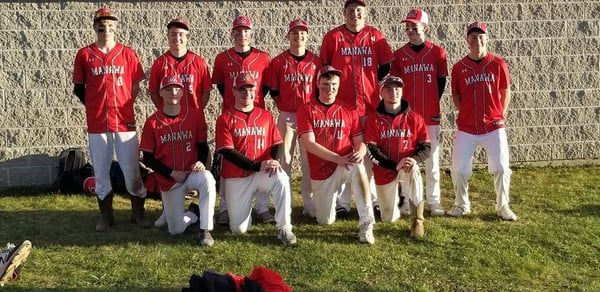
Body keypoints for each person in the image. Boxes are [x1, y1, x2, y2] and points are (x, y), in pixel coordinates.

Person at [72, 7, 149, 232]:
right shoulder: (85, 54)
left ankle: (138, 213)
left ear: (116, 27)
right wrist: (95, 105)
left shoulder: (128, 53)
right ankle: (106, 214)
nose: (106, 29)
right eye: (102, 25)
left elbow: (135, 85)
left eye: (110, 25)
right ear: (95, 27)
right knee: (101, 170)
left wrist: (124, 103)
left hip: (125, 121)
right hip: (97, 124)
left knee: (131, 168)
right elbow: (79, 88)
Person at [319, 0, 395, 217]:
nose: (355, 14)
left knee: (370, 155)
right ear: (344, 13)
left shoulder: (376, 36)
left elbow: (386, 66)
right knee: (343, 152)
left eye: (359, 10)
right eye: (351, 10)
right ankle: (342, 202)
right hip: (342, 108)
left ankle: (371, 198)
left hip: (369, 107)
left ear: (365, 12)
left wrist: (373, 83)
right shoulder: (333, 37)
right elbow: (325, 68)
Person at [214, 73, 296, 245]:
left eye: (250, 89)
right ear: (234, 91)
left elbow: (277, 143)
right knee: (238, 229)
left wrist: (274, 160)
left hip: (261, 172)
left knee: (282, 178)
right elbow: (228, 152)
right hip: (237, 176)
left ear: (256, 91)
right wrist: (257, 165)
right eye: (242, 89)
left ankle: (284, 227)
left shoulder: (265, 116)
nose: (247, 93)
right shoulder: (224, 119)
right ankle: (243, 211)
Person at [297, 65, 375, 244]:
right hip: (322, 170)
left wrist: (360, 152)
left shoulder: (349, 109)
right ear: (317, 83)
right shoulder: (306, 109)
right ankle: (331, 200)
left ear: (339, 85)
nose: (329, 88)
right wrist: (337, 158)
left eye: (333, 84)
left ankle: (366, 222)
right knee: (325, 220)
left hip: (345, 164)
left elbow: (360, 141)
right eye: (325, 84)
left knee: (359, 167)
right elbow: (309, 144)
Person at [448, 21, 517, 221]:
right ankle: (462, 204)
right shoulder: (459, 67)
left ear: (487, 39)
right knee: (459, 169)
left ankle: (502, 206)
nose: (477, 40)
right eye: (473, 37)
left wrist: (499, 114)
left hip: (493, 126)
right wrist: (468, 113)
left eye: (480, 37)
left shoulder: (498, 64)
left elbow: (505, 91)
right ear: (467, 40)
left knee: (502, 168)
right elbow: (456, 95)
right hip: (467, 127)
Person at [140, 75, 216, 246]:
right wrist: (171, 173)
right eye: (168, 89)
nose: (173, 92)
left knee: (208, 179)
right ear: (161, 93)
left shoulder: (194, 115)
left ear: (182, 92)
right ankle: (193, 213)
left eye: (177, 89)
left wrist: (202, 163)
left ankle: (205, 230)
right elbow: (148, 158)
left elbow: (203, 146)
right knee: (176, 230)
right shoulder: (152, 122)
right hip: (169, 179)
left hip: (191, 173)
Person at [212, 15, 273, 225]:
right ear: (232, 33)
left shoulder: (263, 57)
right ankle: (225, 208)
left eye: (245, 31)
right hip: (231, 116)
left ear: (251, 33)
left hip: (258, 117)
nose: (242, 35)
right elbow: (221, 86)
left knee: (263, 156)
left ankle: (263, 208)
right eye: (238, 31)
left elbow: (264, 88)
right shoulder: (222, 58)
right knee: (227, 161)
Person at [391, 8, 448, 217]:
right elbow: (396, 87)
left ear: (424, 27)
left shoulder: (438, 52)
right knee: (407, 161)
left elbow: (440, 83)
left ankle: (434, 202)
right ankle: (407, 201)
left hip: (430, 116)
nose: (410, 31)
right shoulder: (398, 56)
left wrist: (431, 103)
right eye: (407, 28)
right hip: (407, 118)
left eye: (414, 27)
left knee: (432, 161)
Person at [364, 76, 431, 238]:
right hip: (385, 171)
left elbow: (426, 147)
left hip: (407, 167)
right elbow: (372, 150)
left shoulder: (415, 118)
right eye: (388, 89)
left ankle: (418, 220)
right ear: (381, 93)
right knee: (388, 218)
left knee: (414, 168)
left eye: (397, 88)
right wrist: (394, 165)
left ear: (401, 91)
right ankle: (399, 201)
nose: (393, 92)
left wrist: (414, 159)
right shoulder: (373, 119)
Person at [269, 18, 322, 217]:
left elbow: (320, 91)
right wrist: (285, 108)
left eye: (302, 33)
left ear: (307, 36)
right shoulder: (279, 61)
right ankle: (285, 204)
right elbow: (274, 91)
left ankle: (309, 204)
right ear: (288, 36)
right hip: (288, 115)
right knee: (285, 160)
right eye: (294, 33)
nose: (298, 36)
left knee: (310, 160)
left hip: (309, 117)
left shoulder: (315, 61)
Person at [148, 17, 213, 111]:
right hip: (168, 120)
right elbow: (154, 92)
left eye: (181, 34)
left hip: (194, 119)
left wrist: (196, 112)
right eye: (173, 34)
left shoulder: (199, 62)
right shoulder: (159, 63)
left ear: (187, 37)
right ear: (168, 36)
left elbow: (206, 92)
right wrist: (166, 111)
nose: (177, 38)